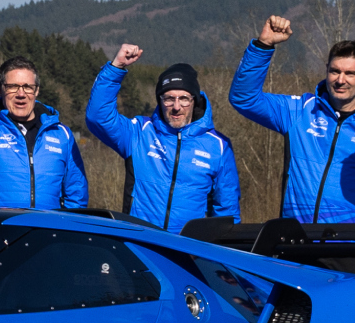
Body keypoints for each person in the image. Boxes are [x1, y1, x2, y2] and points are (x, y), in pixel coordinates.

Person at [229, 17, 355, 225]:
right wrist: (264, 45)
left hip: (348, 252)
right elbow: (244, 98)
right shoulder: (301, 111)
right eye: (335, 71)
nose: (340, 80)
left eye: (350, 73)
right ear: (326, 70)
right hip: (295, 242)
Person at [85, 48, 240, 229]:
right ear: (160, 100)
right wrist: (116, 67)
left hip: (187, 251)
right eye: (168, 98)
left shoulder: (219, 146)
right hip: (139, 245)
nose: (176, 107)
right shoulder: (139, 133)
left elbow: (227, 212)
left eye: (184, 98)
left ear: (194, 100)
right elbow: (98, 116)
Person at [0, 56, 89, 210]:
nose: (21, 94)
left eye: (28, 87)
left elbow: (77, 194)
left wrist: (68, 228)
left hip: (49, 231)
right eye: (12, 86)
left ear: (36, 90)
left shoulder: (61, 134)